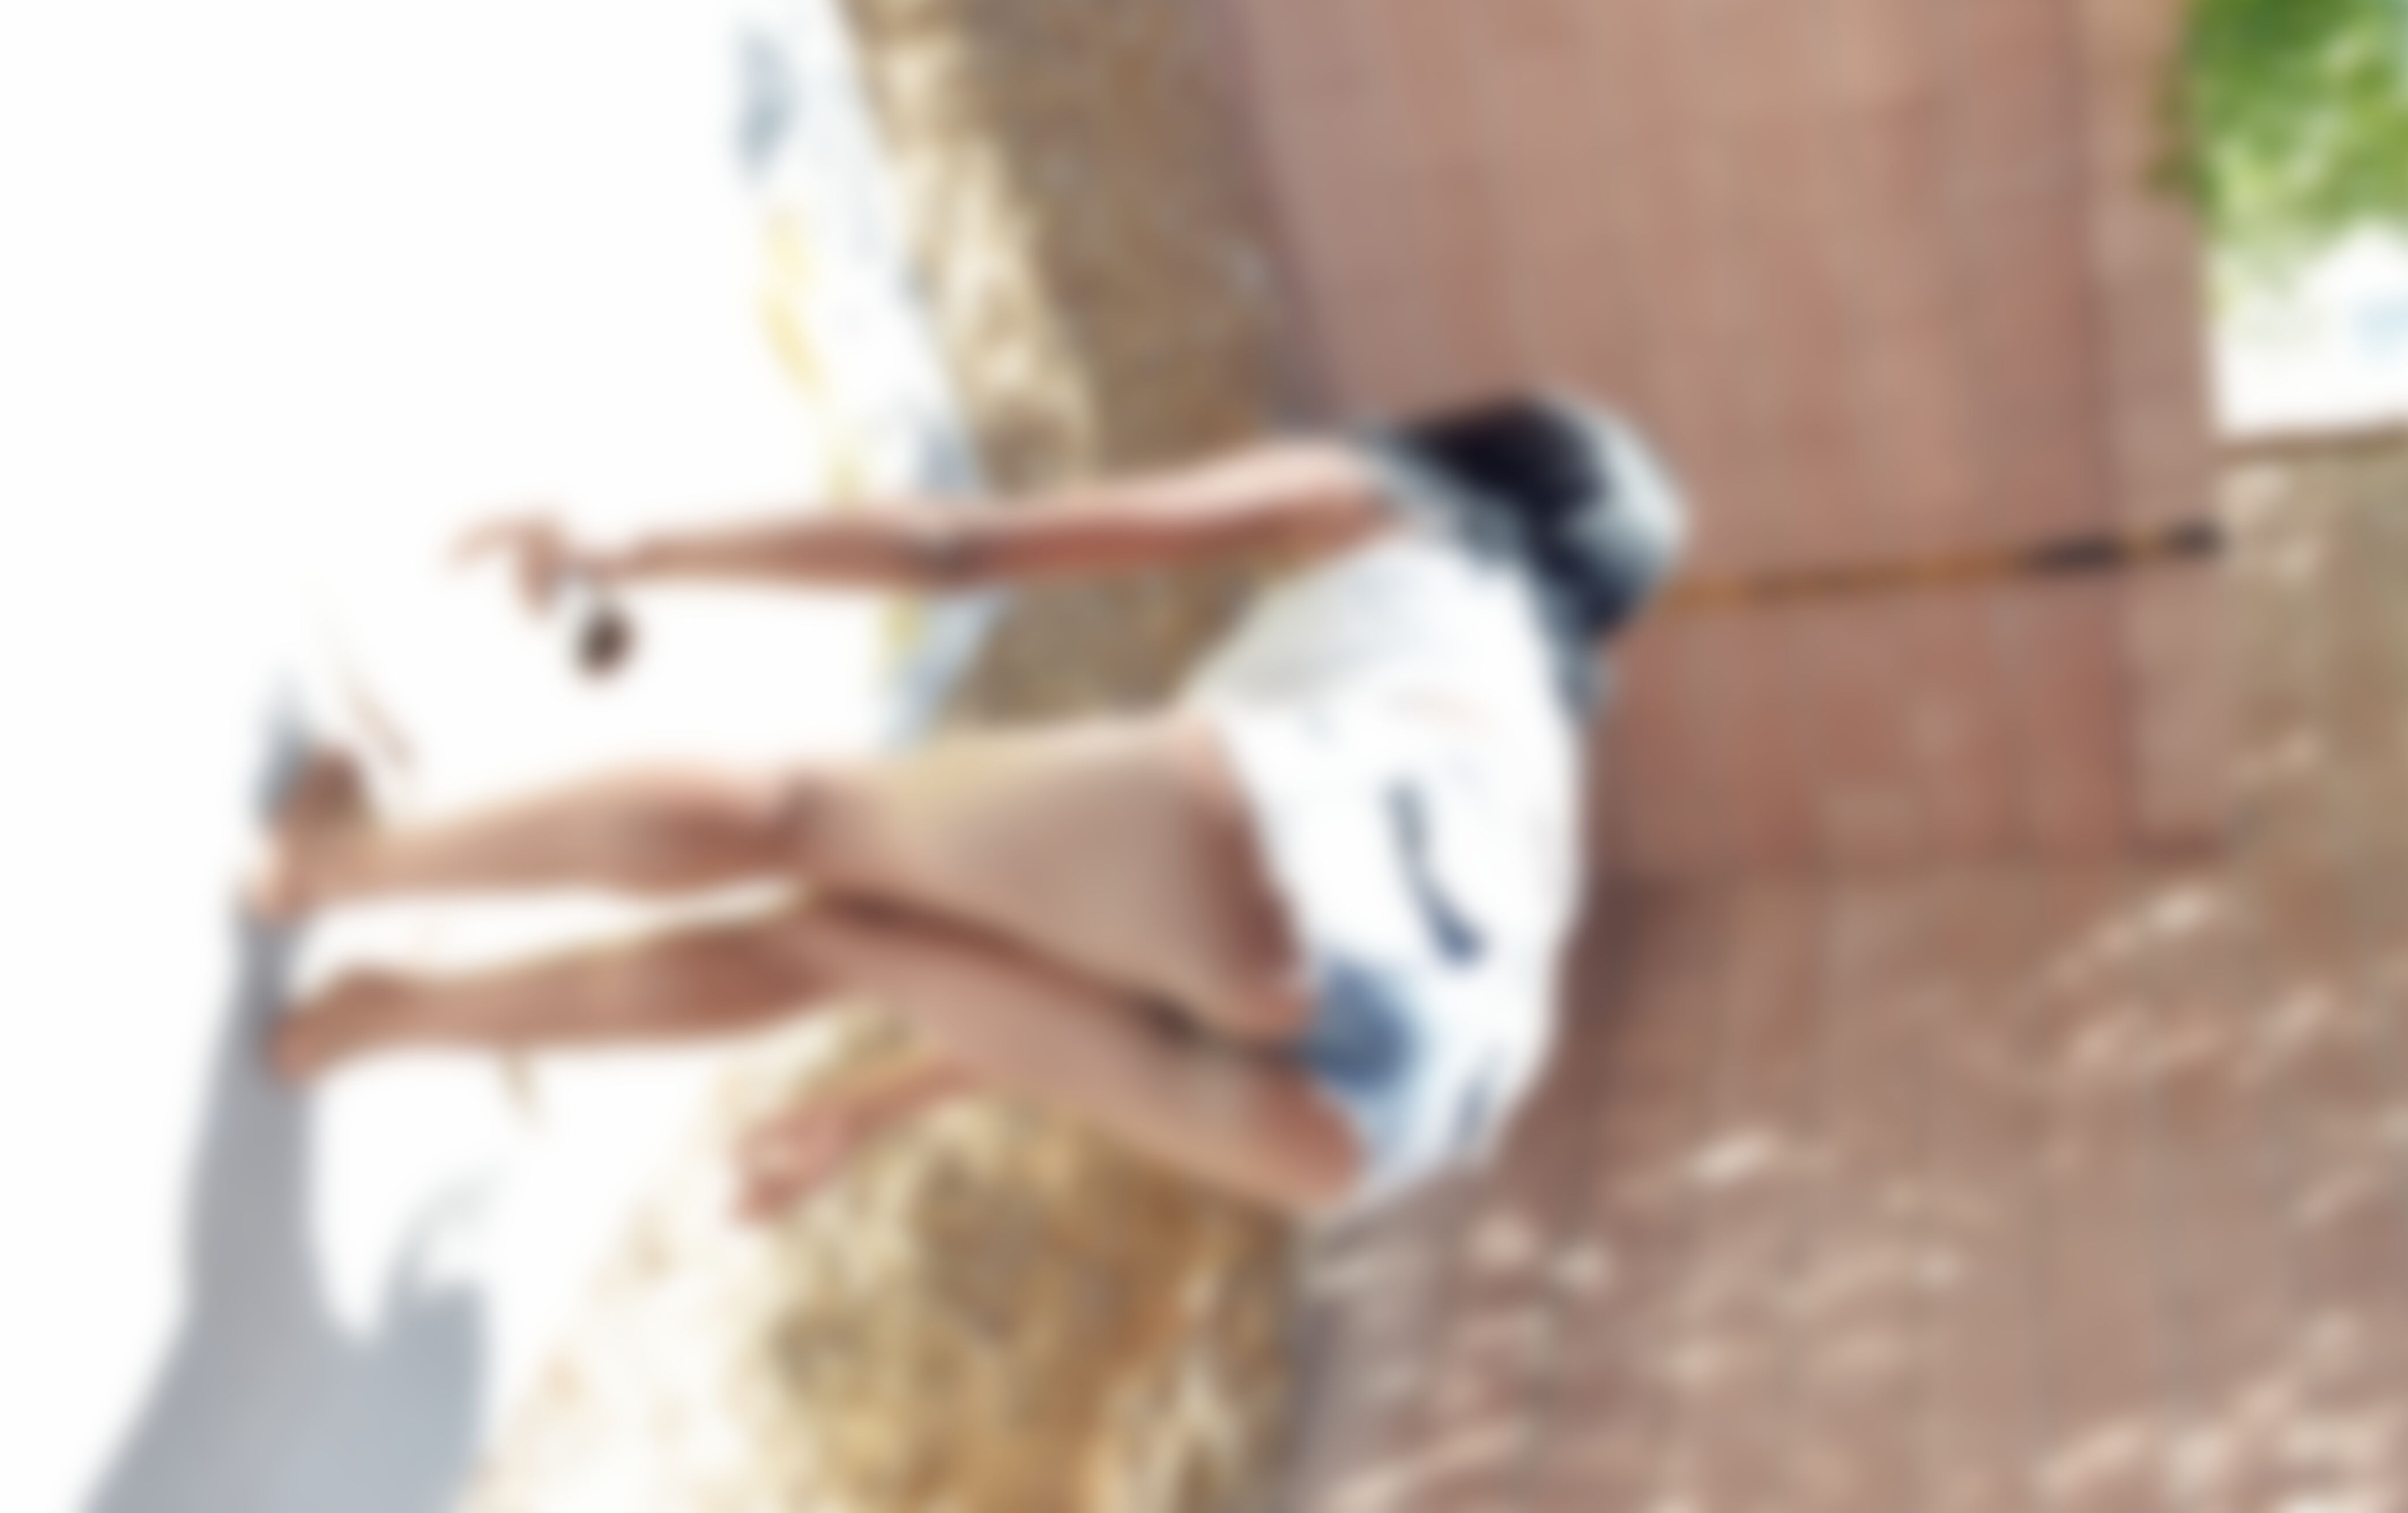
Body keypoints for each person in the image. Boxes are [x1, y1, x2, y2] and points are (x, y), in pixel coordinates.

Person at [249, 392, 1689, 1222]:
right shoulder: (1532, 753)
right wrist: (869, 1108)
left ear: (1496, 449)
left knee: (800, 814)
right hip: (1383, 1126)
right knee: (838, 939)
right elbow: (1211, 976)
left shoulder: (1410, 509)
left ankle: (328, 869)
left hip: (1318, 846)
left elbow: (956, 550)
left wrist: (625, 548)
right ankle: (368, 1024)